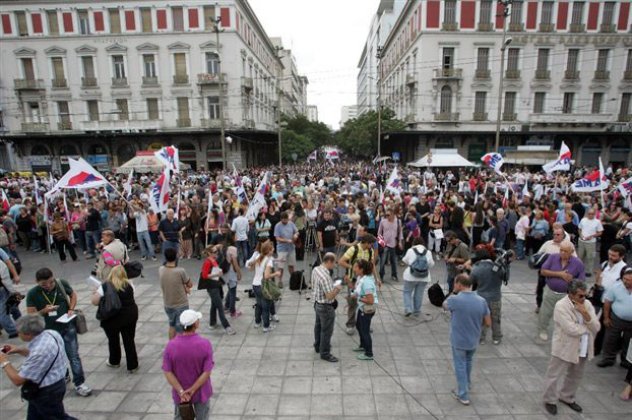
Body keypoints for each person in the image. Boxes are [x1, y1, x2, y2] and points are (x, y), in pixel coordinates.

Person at [25, 268, 92, 397]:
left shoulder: (61, 283)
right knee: (56, 356)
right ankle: (64, 375)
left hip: (67, 327)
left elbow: (73, 294)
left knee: (73, 356)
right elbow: (31, 315)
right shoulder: (33, 293)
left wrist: (71, 309)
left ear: (53, 278)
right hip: (48, 333)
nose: (48, 286)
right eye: (44, 284)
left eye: (51, 282)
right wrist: (44, 311)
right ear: (37, 282)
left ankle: (79, 383)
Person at [0, 314, 78, 420]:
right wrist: (19, 350)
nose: (18, 334)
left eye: (19, 332)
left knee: (58, 417)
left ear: (28, 334)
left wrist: (4, 361)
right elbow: (39, 357)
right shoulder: (51, 333)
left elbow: (18, 380)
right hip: (56, 383)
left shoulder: (39, 352)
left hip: (47, 392)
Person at [542, 280, 600, 415]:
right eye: (580, 296)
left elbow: (596, 327)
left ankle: (567, 397)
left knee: (576, 375)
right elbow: (570, 329)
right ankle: (549, 400)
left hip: (584, 347)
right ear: (571, 294)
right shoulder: (561, 306)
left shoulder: (587, 304)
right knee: (554, 375)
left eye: (585, 295)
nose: (583, 298)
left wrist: (585, 314)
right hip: (564, 347)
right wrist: (587, 328)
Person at [443, 273, 491, 406]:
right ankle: (467, 385)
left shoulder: (455, 299)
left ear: (459, 284)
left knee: (460, 365)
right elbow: (488, 322)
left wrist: (453, 292)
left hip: (458, 340)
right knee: (468, 362)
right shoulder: (481, 301)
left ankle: (463, 394)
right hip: (473, 339)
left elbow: (444, 305)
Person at [163, 310, 213, 420]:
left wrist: (181, 391)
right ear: (196, 324)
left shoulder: (170, 346)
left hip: (181, 395)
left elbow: (167, 371)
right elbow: (207, 371)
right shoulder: (205, 344)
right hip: (201, 392)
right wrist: (193, 389)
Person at [90, 265, 139, 373]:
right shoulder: (129, 284)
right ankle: (132, 365)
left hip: (112, 318)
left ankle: (114, 361)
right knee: (129, 340)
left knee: (113, 340)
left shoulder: (105, 286)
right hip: (129, 316)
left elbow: (94, 302)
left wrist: (94, 292)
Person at [538, 241, 585, 342]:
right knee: (545, 312)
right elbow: (543, 271)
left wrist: (572, 280)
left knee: (565, 315)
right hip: (551, 291)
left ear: (572, 251)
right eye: (561, 250)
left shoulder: (578, 263)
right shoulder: (553, 257)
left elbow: (581, 281)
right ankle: (543, 330)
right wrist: (560, 274)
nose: (562, 253)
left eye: (565, 251)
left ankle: (563, 333)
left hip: (566, 295)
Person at [339, 234, 376, 335]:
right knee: (353, 303)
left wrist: (377, 279)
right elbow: (341, 261)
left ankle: (364, 324)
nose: (372, 246)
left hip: (365, 281)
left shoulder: (370, 251)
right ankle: (350, 325)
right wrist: (353, 268)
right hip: (353, 280)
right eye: (371, 244)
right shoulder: (353, 249)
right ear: (366, 243)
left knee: (365, 302)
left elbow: (372, 266)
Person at [597, 266, 632, 368]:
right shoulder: (615, 287)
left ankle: (625, 360)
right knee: (610, 339)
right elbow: (607, 302)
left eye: (629, 280)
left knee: (629, 341)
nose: (626, 282)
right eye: (624, 279)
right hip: (616, 318)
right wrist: (606, 318)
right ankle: (608, 359)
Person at [311, 252, 343, 362]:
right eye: (334, 263)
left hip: (317, 303)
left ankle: (317, 346)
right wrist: (337, 288)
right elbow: (329, 296)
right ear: (329, 261)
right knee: (326, 331)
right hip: (326, 307)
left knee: (318, 326)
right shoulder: (325, 277)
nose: (335, 265)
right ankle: (325, 353)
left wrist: (331, 284)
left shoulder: (316, 269)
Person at [469, 246, 503, 345]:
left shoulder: (476, 268)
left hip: (481, 298)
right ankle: (496, 338)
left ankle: (481, 338)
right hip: (495, 297)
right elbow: (505, 277)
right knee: (496, 318)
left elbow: (470, 281)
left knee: (481, 319)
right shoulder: (498, 267)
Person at [200, 245, 236, 335]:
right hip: (211, 286)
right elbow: (204, 276)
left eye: (217, 252)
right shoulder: (208, 262)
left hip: (215, 285)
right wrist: (216, 275)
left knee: (214, 304)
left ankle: (212, 323)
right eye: (214, 252)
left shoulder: (213, 259)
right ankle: (227, 327)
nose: (217, 254)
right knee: (220, 307)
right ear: (209, 253)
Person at [160, 248, 193, 340]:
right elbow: (190, 284)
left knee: (172, 325)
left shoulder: (161, 269)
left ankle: (171, 346)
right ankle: (180, 350)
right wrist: (186, 287)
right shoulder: (180, 271)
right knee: (181, 330)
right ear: (176, 257)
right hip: (180, 304)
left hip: (168, 304)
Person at [250, 241, 280, 332]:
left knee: (258, 305)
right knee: (266, 307)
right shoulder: (269, 261)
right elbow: (266, 276)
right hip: (263, 286)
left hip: (255, 284)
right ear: (269, 250)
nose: (274, 249)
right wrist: (276, 273)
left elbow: (251, 269)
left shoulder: (258, 256)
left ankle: (257, 322)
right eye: (272, 248)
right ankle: (266, 327)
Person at [401, 237, 434, 317]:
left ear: (414, 243)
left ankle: (408, 309)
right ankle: (417, 311)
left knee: (407, 292)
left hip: (411, 276)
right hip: (424, 277)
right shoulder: (428, 252)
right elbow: (431, 264)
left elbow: (404, 260)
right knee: (419, 294)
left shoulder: (410, 250)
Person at [352, 259, 378, 361]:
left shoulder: (366, 282)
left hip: (367, 309)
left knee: (364, 330)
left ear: (361, 269)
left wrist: (357, 298)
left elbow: (370, 300)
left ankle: (369, 353)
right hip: (362, 308)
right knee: (359, 325)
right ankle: (363, 345)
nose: (354, 269)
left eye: (355, 267)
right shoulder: (362, 278)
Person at [377, 208, 403, 281]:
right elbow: (379, 233)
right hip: (384, 244)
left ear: (393, 214)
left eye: (388, 215)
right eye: (386, 215)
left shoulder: (398, 221)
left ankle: (394, 275)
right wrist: (382, 243)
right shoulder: (383, 221)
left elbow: (400, 232)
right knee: (382, 261)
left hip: (394, 244)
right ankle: (381, 276)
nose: (387, 216)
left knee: (394, 261)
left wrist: (400, 242)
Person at [274, 211, 298, 288]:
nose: (285, 221)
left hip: (291, 248)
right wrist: (287, 240)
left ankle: (293, 279)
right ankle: (280, 281)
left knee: (291, 265)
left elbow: (297, 231)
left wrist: (295, 235)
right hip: (281, 249)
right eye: (284, 220)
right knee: (280, 266)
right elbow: (277, 238)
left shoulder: (291, 223)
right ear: (281, 219)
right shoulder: (277, 226)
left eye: (286, 220)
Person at [577, 209, 603, 277]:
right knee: (580, 256)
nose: (590, 215)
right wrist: (580, 235)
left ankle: (589, 271)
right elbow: (579, 229)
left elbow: (600, 232)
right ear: (587, 214)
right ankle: (579, 270)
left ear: (594, 214)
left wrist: (592, 236)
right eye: (589, 214)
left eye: (592, 214)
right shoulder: (583, 220)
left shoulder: (597, 222)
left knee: (590, 257)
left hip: (591, 242)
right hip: (581, 241)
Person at [223, 232, 242, 318]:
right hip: (231, 272)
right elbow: (235, 263)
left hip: (225, 271)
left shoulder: (224, 247)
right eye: (235, 235)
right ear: (232, 237)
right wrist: (239, 273)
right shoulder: (232, 249)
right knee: (233, 291)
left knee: (230, 288)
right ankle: (232, 311)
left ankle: (226, 306)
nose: (236, 237)